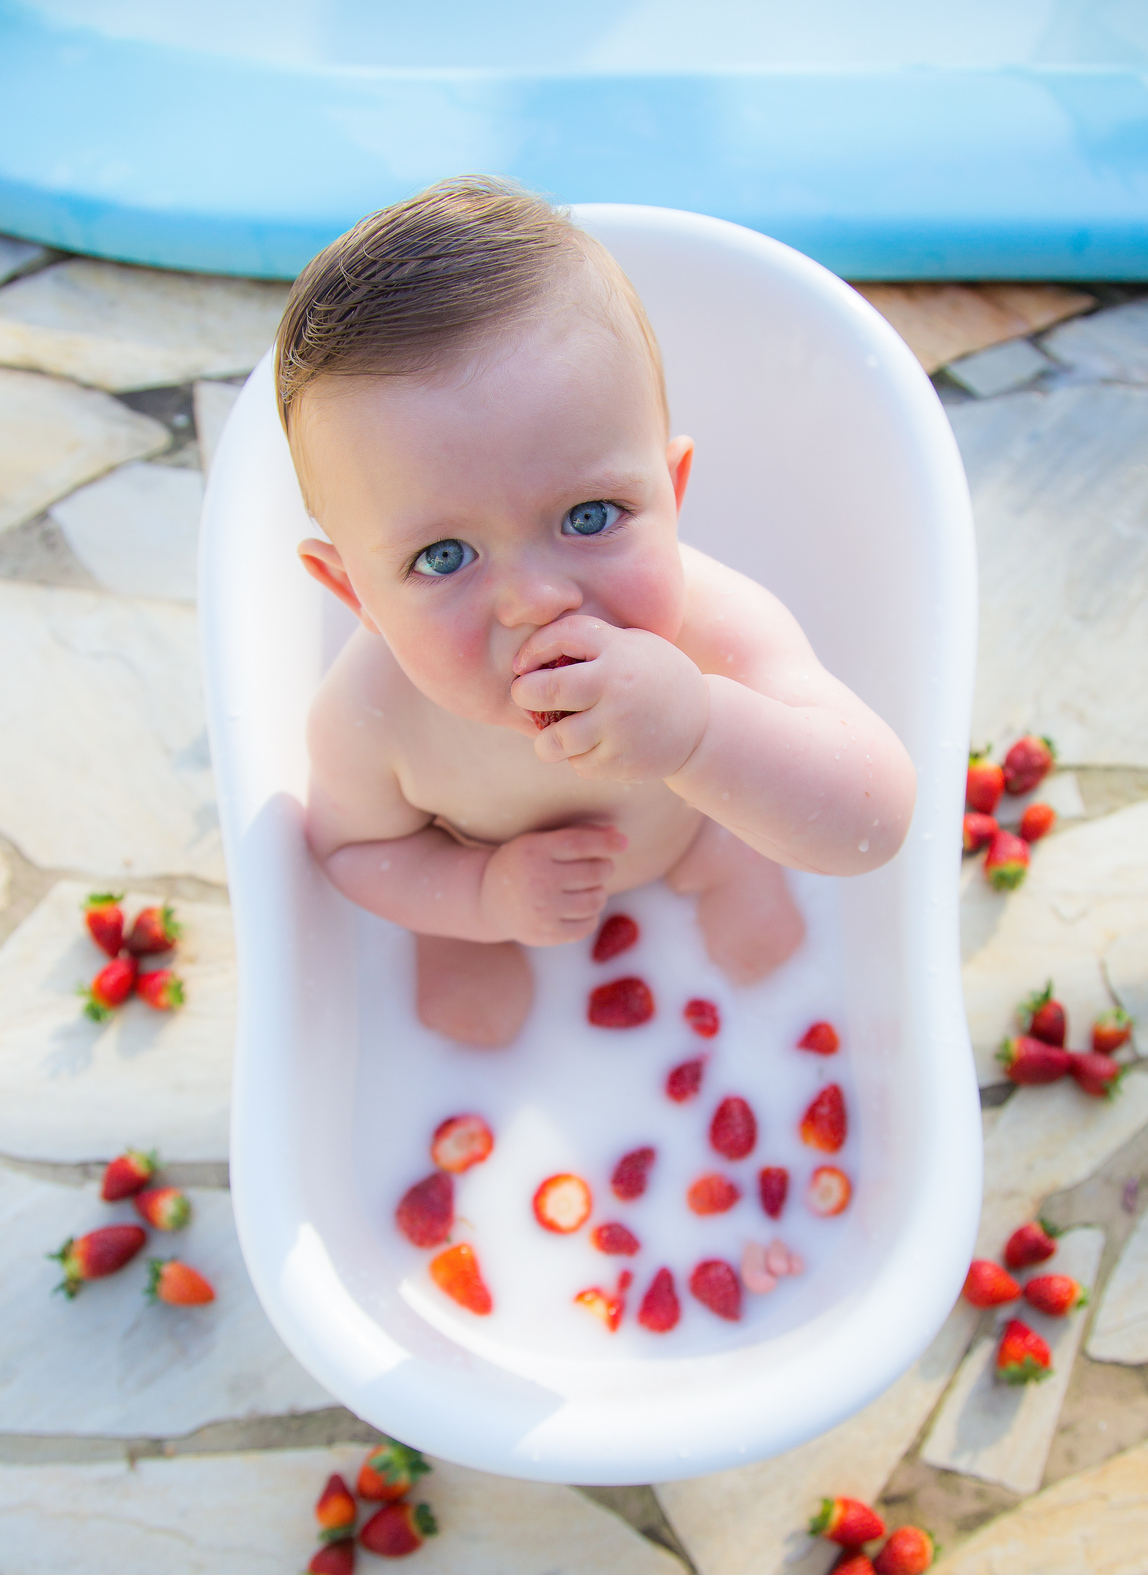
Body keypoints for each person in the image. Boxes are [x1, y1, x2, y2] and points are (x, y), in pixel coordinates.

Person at [282, 177, 915, 1047]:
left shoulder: (713, 628)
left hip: (686, 824)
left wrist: (700, 733)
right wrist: (481, 896)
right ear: (358, 596)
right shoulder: (372, 716)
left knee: (745, 819)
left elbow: (875, 822)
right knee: (448, 938)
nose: (536, 599)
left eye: (589, 517)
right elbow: (355, 853)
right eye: (442, 557)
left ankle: (717, 861)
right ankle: (465, 930)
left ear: (673, 491)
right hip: (487, 870)